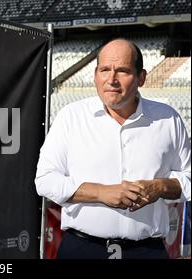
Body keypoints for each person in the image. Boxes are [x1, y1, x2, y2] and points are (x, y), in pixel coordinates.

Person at [34, 38, 191, 259]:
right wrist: (101, 192)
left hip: (147, 251)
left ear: (141, 77)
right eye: (104, 69)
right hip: (82, 249)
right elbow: (45, 180)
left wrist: (160, 187)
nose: (111, 79)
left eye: (123, 71)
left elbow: (189, 177)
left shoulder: (168, 119)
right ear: (95, 75)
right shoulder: (71, 117)